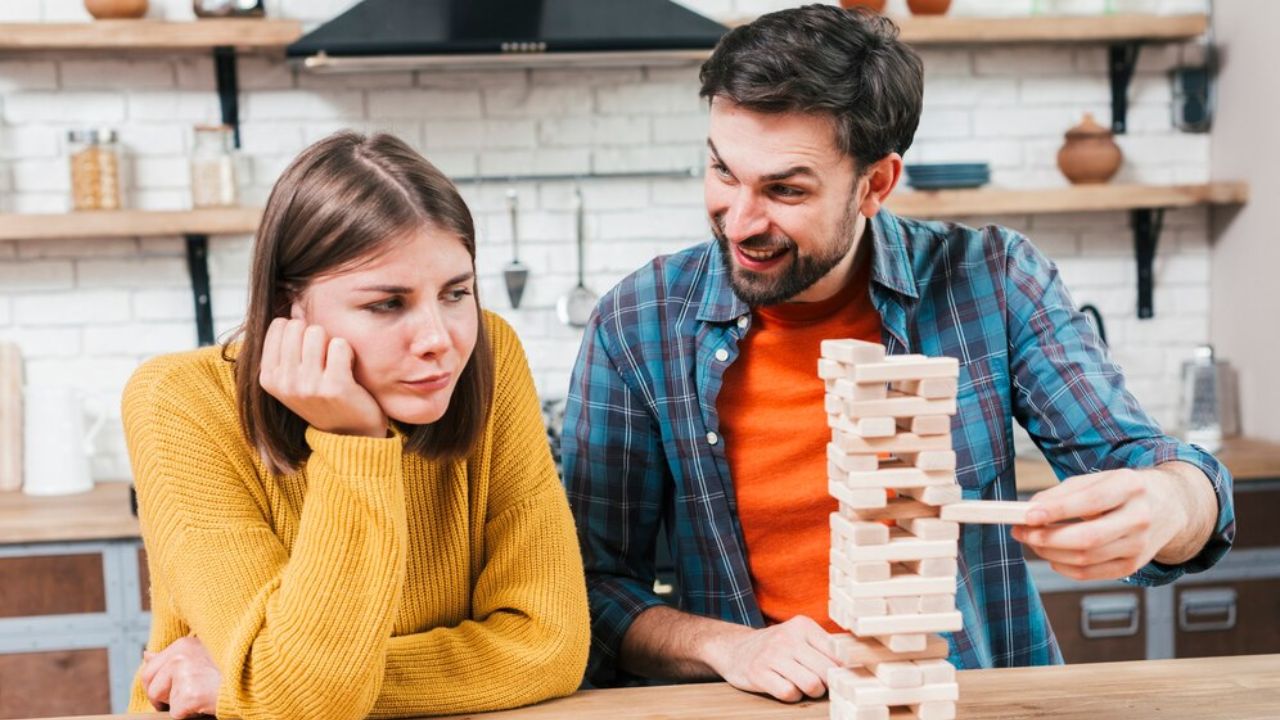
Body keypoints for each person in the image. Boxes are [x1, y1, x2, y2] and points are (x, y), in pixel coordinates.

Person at [560, 3, 1235, 702]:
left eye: (786, 189)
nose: (740, 220)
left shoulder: (994, 280)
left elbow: (1165, 474)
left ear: (877, 183)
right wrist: (728, 646)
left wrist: (1168, 504)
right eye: (724, 172)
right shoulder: (637, 323)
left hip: (968, 698)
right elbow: (590, 586)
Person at [123, 132, 589, 719]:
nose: (438, 341)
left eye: (456, 292)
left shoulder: (491, 352)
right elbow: (304, 700)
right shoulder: (179, 401)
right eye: (386, 304)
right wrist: (352, 442)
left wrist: (249, 684)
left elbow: (551, 647)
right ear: (290, 307)